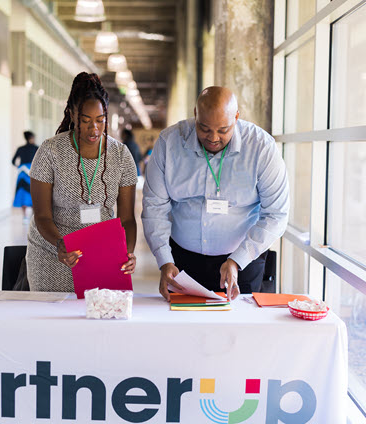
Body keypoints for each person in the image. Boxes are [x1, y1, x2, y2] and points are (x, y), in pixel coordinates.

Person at [142, 87, 289, 301]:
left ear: (236, 117)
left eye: (223, 130)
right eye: (204, 128)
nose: (213, 138)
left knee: (239, 331)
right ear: (195, 114)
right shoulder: (169, 143)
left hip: (242, 263)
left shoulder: (261, 148)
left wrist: (237, 260)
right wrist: (164, 260)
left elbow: (277, 214)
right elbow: (154, 207)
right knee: (186, 330)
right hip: (182, 262)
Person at [26, 72, 138, 292]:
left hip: (102, 253)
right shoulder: (50, 152)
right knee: (52, 320)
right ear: (72, 114)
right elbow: (42, 215)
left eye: (100, 120)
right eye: (85, 121)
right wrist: (60, 244)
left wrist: (128, 252)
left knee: (97, 320)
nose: (93, 129)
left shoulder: (121, 155)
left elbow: (127, 218)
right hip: (53, 254)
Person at [12, 131, 39, 217]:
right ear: (31, 138)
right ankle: (32, 216)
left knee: (22, 193)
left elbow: (13, 161)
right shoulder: (36, 148)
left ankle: (25, 216)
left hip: (22, 173)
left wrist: (20, 167)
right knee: (33, 192)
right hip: (32, 172)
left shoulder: (20, 148)